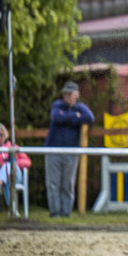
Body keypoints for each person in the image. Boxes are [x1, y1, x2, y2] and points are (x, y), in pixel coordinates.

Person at [45, 81, 95, 218]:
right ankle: (55, 213)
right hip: (53, 150)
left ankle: (65, 212)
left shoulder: (81, 107)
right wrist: (74, 117)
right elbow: (56, 117)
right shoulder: (57, 105)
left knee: (68, 184)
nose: (67, 96)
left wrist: (68, 117)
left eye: (70, 94)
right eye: (65, 94)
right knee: (53, 183)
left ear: (77, 94)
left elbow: (90, 118)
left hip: (71, 151)